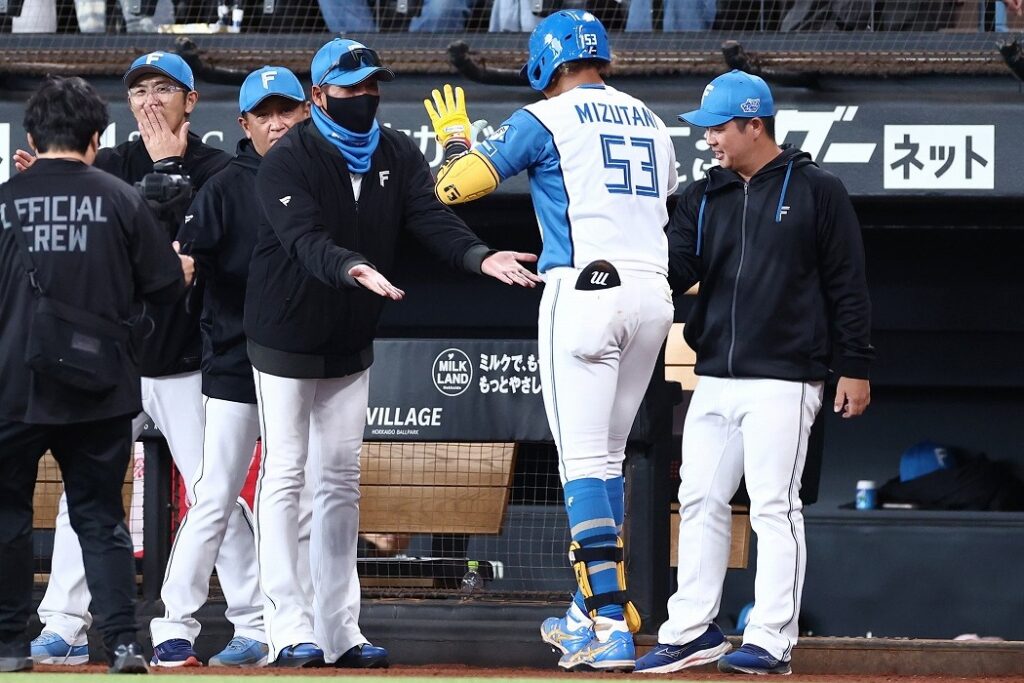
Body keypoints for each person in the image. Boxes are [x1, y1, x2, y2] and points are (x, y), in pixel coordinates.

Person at [246, 37, 540, 668]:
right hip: (286, 336)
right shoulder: (288, 159)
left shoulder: (397, 151)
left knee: (340, 481)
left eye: (371, 84)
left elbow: (431, 219)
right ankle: (286, 626)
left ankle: (339, 631)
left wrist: (480, 255)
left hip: (351, 337)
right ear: (318, 96)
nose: (365, 96)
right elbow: (304, 239)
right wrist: (351, 266)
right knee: (287, 475)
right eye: (351, 87)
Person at [425, 9, 678, 671]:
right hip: (653, 296)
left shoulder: (548, 116)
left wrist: (455, 141)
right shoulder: (652, 120)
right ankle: (585, 609)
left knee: (583, 463)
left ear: (546, 62)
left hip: (585, 288)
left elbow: (454, 187)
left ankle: (609, 622)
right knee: (610, 459)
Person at [15, 53, 261, 669]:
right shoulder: (110, 166)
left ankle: (254, 623)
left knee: (214, 496)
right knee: (82, 496)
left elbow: (194, 258)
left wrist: (170, 174)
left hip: (189, 360)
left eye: (163, 89)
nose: (150, 100)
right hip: (114, 365)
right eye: (139, 90)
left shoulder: (217, 169)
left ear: (190, 101)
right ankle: (63, 626)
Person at [633, 70, 873, 675]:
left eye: (718, 128)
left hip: (786, 378)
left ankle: (771, 637)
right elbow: (675, 268)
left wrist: (854, 366)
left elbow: (848, 284)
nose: (708, 139)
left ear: (754, 124)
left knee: (773, 507)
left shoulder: (818, 189)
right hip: (715, 375)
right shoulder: (702, 196)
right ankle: (691, 630)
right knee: (698, 499)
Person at [0, 75, 191, 674]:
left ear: (32, 138)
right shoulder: (121, 199)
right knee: (100, 518)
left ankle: (8, 646)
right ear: (97, 137)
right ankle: (124, 644)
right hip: (99, 386)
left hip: (11, 386)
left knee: (6, 518)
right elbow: (166, 287)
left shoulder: (3, 202)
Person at [147, 66, 312, 669]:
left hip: (304, 364)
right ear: (243, 124)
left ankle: (294, 628)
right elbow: (182, 264)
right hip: (237, 363)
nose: (276, 123)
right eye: (263, 114)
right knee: (214, 494)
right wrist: (177, 269)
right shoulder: (223, 187)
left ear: (307, 112)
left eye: (286, 110)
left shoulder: (323, 177)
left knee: (305, 499)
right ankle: (173, 626)